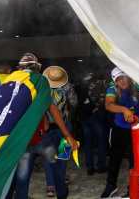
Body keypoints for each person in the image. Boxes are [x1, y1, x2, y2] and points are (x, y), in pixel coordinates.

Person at [0, 53, 77, 199]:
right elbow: (52, 109)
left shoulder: (9, 81)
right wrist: (68, 135)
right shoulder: (39, 81)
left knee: (22, 178)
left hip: (21, 141)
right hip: (42, 137)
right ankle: (62, 193)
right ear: (37, 68)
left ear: (19, 67)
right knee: (55, 165)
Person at [100, 67, 139, 198]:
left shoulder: (136, 85)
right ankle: (111, 185)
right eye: (118, 79)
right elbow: (108, 104)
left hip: (138, 127)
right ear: (114, 82)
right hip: (120, 127)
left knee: (136, 159)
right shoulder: (112, 89)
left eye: (122, 77)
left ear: (127, 76)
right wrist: (123, 109)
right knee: (115, 157)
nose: (121, 81)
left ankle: (134, 187)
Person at [42, 66, 78, 197]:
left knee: (49, 155)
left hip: (46, 126)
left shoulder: (42, 85)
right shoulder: (66, 86)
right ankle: (61, 183)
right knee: (63, 154)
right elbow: (74, 102)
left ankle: (50, 187)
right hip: (63, 124)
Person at [77, 64, 108, 176]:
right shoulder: (98, 82)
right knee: (101, 140)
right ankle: (101, 166)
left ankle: (90, 168)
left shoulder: (81, 81)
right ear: (96, 70)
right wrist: (95, 108)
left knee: (88, 142)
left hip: (84, 115)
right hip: (95, 115)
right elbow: (103, 98)